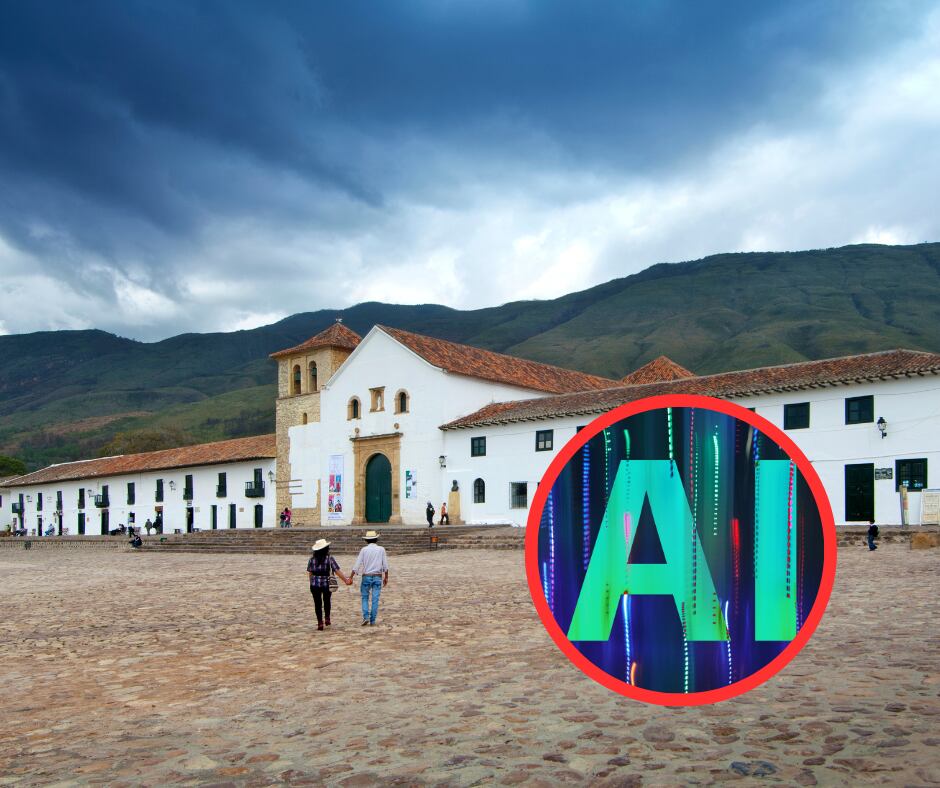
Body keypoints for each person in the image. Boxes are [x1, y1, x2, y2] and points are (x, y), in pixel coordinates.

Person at [306, 539, 351, 631]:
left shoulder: (312, 559)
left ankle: (320, 622)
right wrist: (345, 580)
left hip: (315, 584)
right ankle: (327, 618)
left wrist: (311, 582)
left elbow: (310, 572)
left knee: (317, 604)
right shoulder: (329, 558)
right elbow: (337, 570)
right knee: (327, 601)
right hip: (327, 583)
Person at [349, 530, 389, 626]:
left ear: (366, 540)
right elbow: (385, 565)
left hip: (366, 576)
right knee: (375, 599)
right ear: (376, 539)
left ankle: (366, 616)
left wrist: (351, 577)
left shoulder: (364, 550)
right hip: (377, 577)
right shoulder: (381, 549)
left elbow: (357, 564)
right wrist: (386, 577)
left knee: (365, 597)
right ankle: (373, 620)